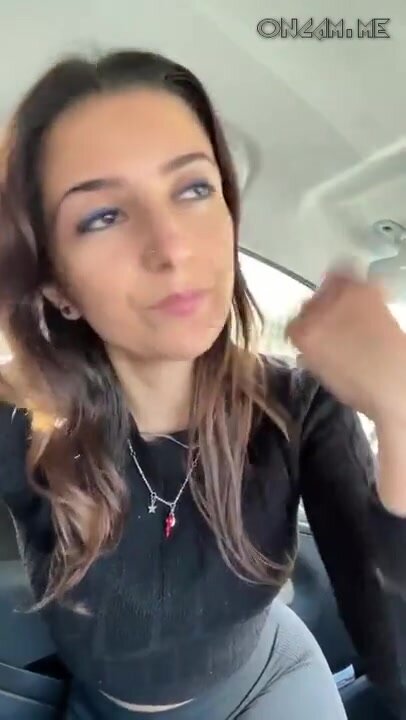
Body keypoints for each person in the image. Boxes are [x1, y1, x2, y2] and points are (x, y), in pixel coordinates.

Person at [0, 49, 405, 720]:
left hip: (272, 682)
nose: (172, 246)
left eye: (193, 190)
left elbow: (398, 669)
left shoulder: (300, 408)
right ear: (57, 288)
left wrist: (399, 411)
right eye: (103, 216)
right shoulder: (22, 417)